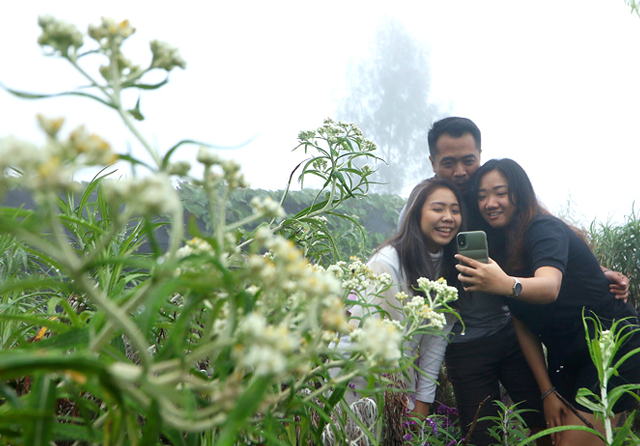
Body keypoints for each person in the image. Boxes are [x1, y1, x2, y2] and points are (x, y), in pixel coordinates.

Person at [400, 117, 629, 445]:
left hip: (511, 329)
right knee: (482, 434)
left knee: (546, 425)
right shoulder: (427, 206)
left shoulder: (492, 197)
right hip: (464, 343)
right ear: (433, 161)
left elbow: (540, 235)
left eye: (468, 160)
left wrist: (593, 273)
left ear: (479, 154)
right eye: (449, 162)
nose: (461, 171)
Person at [457, 158, 640, 446]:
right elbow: (523, 324)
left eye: (500, 193)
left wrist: (504, 283)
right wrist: (547, 392)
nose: (490, 203)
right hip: (567, 358)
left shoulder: (543, 229)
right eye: (481, 196)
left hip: (610, 344)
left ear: (520, 194)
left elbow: (549, 286)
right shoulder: (502, 248)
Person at [349, 177, 465, 416]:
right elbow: (363, 334)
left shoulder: (450, 268)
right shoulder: (388, 262)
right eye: (437, 209)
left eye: (455, 210)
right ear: (416, 213)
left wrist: (422, 402)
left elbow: (435, 342)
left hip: (400, 386)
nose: (448, 217)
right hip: (357, 378)